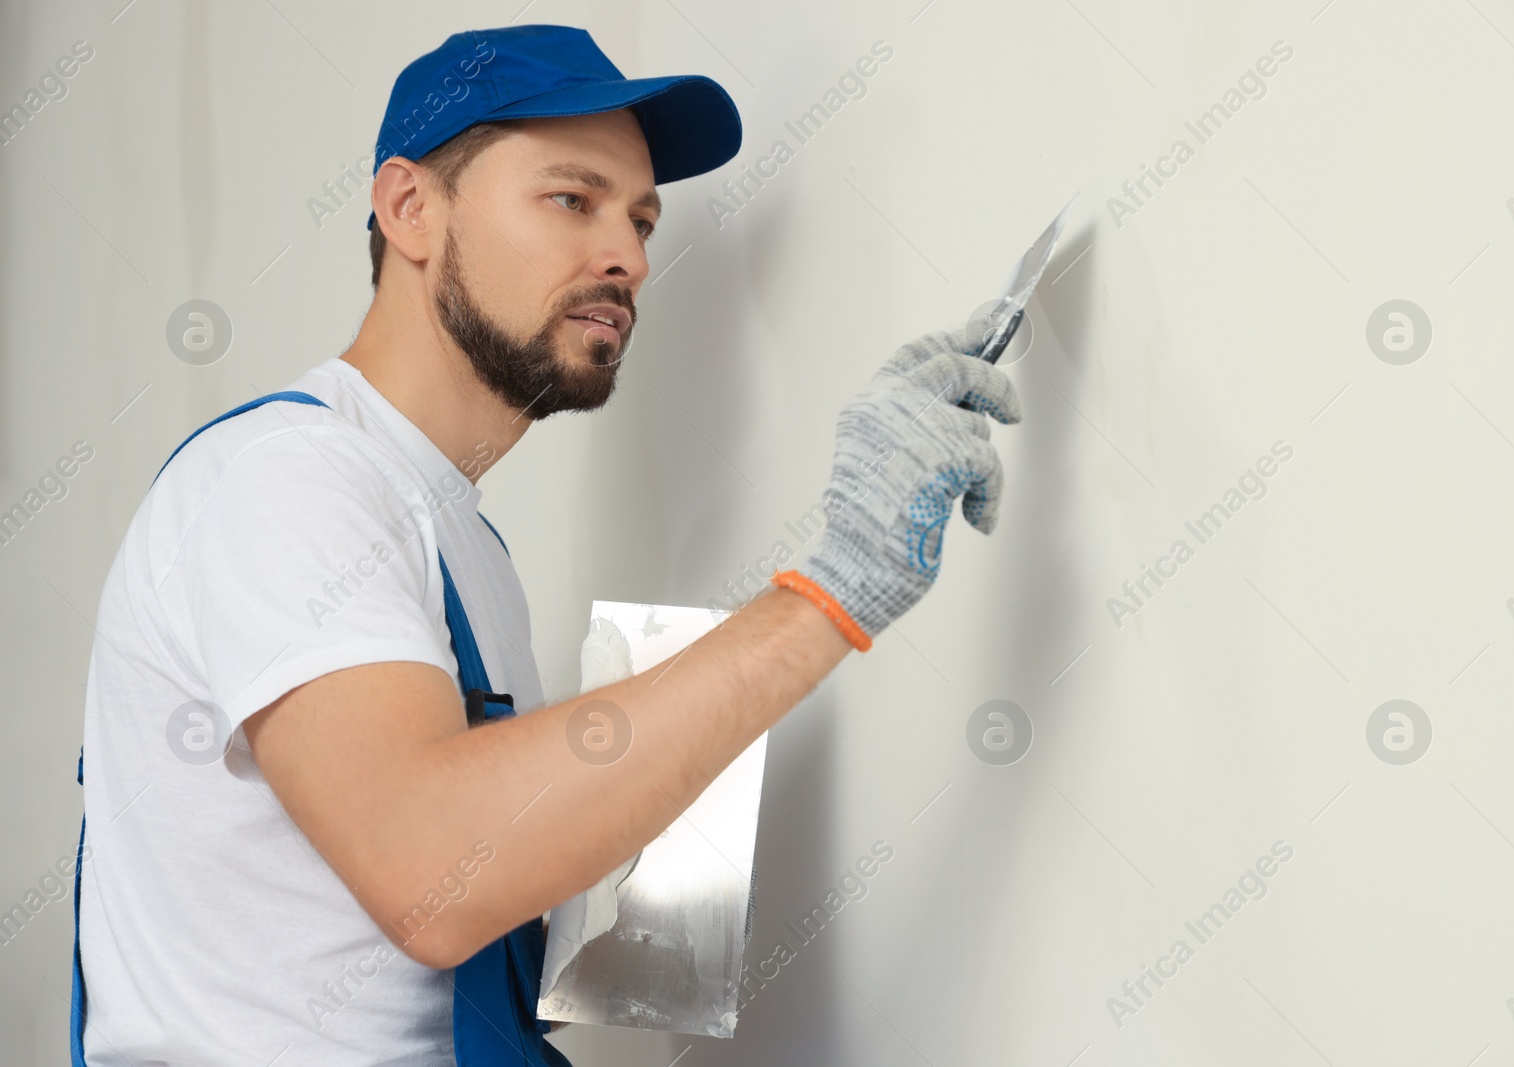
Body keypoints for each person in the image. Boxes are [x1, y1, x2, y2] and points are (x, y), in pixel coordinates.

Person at [73, 23, 1019, 1066]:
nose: (629, 254)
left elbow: (469, 898)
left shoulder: (463, 543)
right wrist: (828, 591)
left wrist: (649, 890)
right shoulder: (283, 476)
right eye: (571, 198)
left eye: (642, 217)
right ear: (410, 209)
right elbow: (430, 870)